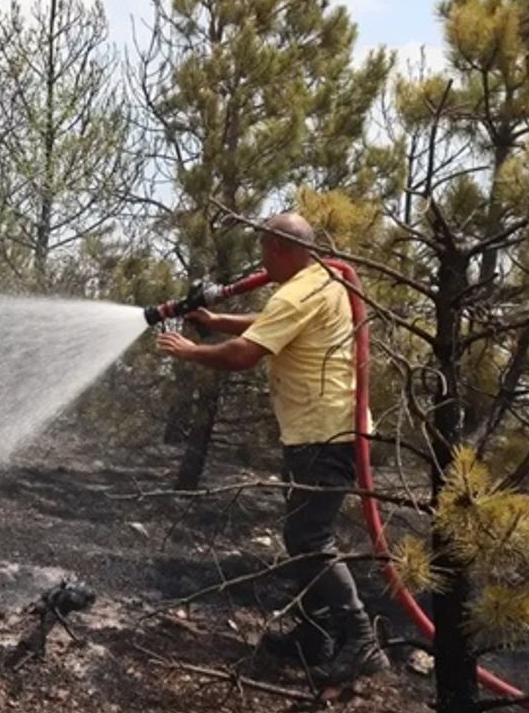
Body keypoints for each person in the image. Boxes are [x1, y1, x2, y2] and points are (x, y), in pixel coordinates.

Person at [156, 212, 389, 684]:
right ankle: (315, 633)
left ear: (279, 250)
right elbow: (273, 322)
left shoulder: (300, 289)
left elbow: (244, 355)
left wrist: (189, 352)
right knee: (301, 536)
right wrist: (217, 318)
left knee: (310, 539)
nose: (261, 262)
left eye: (264, 251)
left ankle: (361, 641)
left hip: (324, 434)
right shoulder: (323, 282)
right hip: (323, 432)